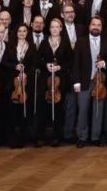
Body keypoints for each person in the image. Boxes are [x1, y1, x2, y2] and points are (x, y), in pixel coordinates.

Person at [71, 16, 107, 147]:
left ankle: (95, 137)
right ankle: (82, 137)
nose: (96, 27)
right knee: (82, 110)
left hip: (100, 82)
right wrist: (76, 82)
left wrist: (104, 63)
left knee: (98, 110)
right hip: (84, 81)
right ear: (89, 26)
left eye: (98, 25)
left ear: (102, 28)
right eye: (93, 24)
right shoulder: (81, 42)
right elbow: (75, 63)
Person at [37, 17, 72, 145]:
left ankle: (57, 136)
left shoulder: (65, 42)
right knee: (44, 107)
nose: (54, 29)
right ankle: (40, 135)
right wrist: (45, 65)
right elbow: (38, 58)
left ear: (61, 29)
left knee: (58, 108)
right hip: (46, 79)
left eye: (57, 27)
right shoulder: (44, 42)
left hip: (60, 80)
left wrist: (60, 67)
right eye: (52, 27)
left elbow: (70, 61)